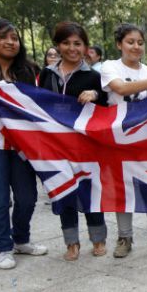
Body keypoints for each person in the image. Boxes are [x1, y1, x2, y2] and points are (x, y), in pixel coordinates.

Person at [0, 18, 48, 269]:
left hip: (21, 142)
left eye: (14, 38)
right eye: (2, 37)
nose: (9, 42)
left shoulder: (27, 70)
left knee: (27, 197)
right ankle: (3, 248)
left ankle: (21, 239)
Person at [100, 23, 147, 258]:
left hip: (145, 141)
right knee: (122, 189)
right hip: (117, 140)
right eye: (130, 42)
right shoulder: (110, 66)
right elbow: (120, 89)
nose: (136, 46)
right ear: (119, 44)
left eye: (140, 43)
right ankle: (124, 237)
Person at [38, 21, 109, 261]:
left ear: (86, 47)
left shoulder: (94, 75)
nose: (71, 48)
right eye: (66, 43)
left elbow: (108, 105)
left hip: (86, 146)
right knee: (64, 193)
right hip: (56, 146)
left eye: (77, 43)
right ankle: (71, 243)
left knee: (89, 192)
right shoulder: (47, 73)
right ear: (58, 45)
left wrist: (96, 94)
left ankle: (98, 239)